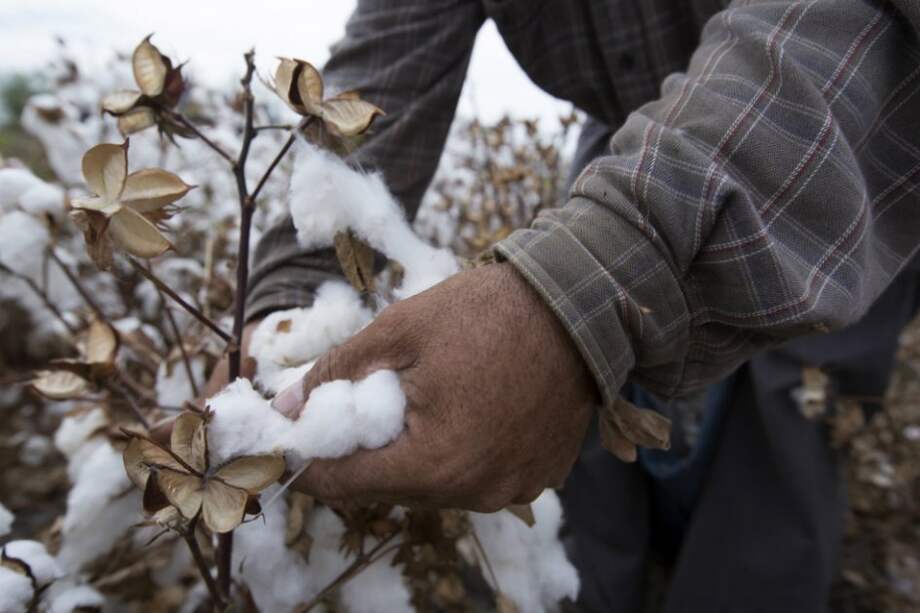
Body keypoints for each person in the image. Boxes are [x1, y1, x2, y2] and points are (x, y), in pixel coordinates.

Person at [204, 1, 920, 611]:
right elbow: (376, 88)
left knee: (785, 423)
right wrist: (285, 310)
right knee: (580, 456)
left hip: (848, 151)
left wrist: (588, 284)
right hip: (629, 143)